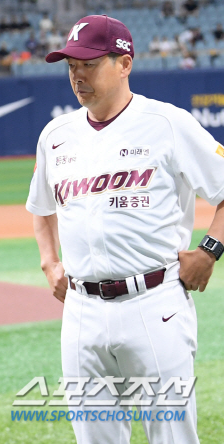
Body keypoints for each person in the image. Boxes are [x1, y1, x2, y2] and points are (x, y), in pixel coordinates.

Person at [27, 14, 224, 443]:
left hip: (155, 303)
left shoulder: (167, 123)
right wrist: (49, 263)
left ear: (125, 63)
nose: (77, 75)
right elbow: (41, 208)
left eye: (89, 64)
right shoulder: (55, 134)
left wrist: (209, 251)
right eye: (71, 65)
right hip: (81, 310)